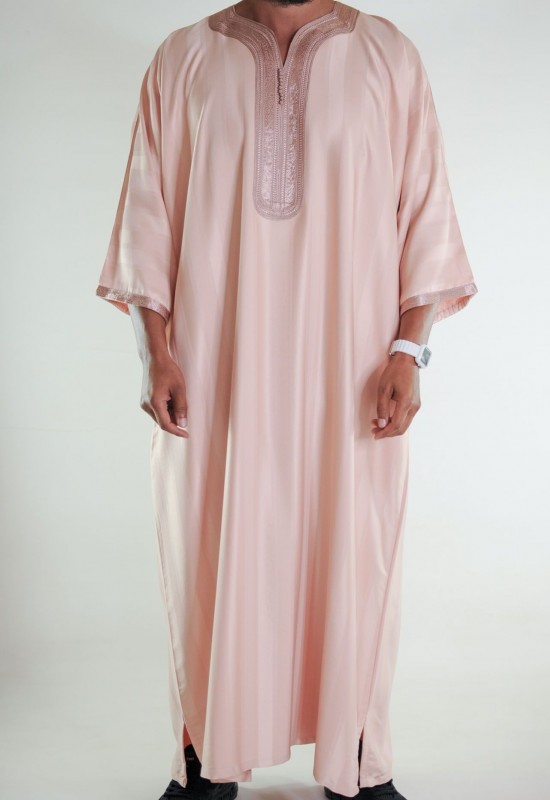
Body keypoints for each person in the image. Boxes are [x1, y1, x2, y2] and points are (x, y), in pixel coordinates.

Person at [95, 1, 478, 798]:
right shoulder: (183, 59)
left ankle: (358, 763)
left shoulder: (387, 58)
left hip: (352, 373)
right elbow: (146, 220)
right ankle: (204, 761)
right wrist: (155, 353)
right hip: (214, 369)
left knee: (353, 552)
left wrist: (409, 351)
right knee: (206, 547)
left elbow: (427, 217)